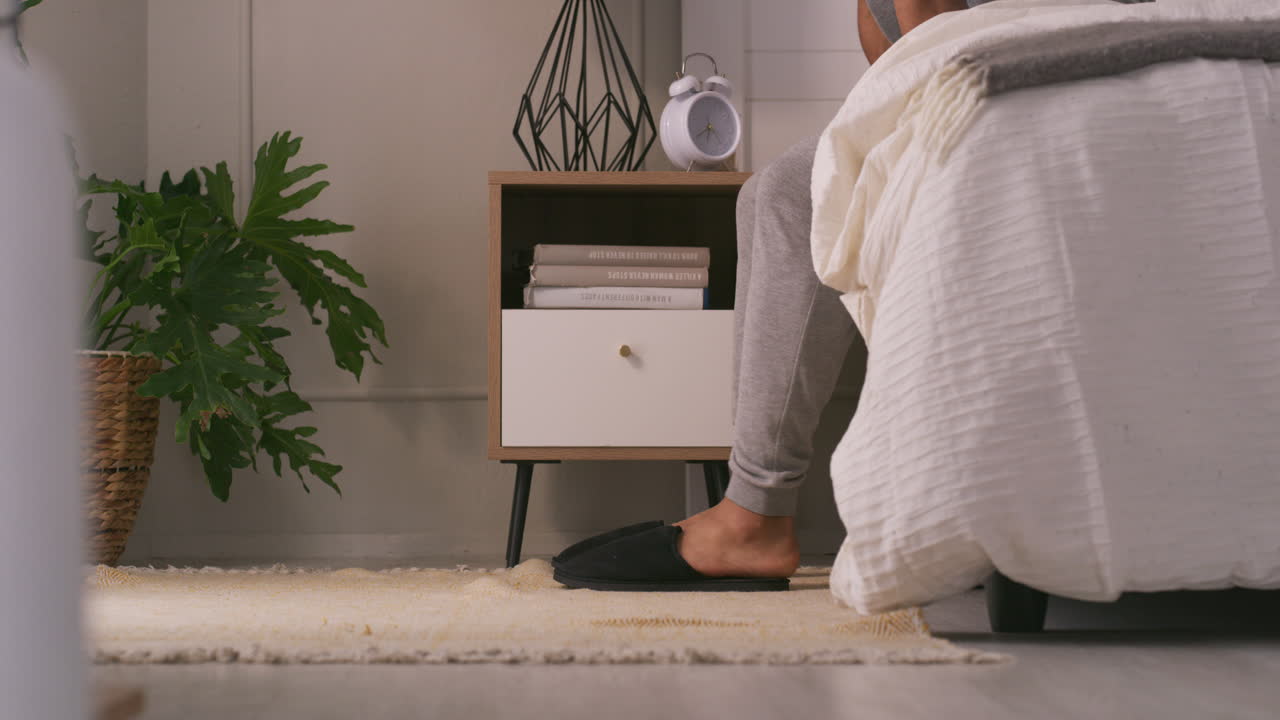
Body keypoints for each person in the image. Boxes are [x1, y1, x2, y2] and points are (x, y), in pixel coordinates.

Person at [552, 0, 971, 591]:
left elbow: (942, 46)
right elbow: (896, 65)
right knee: (767, 193)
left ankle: (757, 513)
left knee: (795, 196)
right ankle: (749, 502)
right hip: (968, 76)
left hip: (1022, 72)